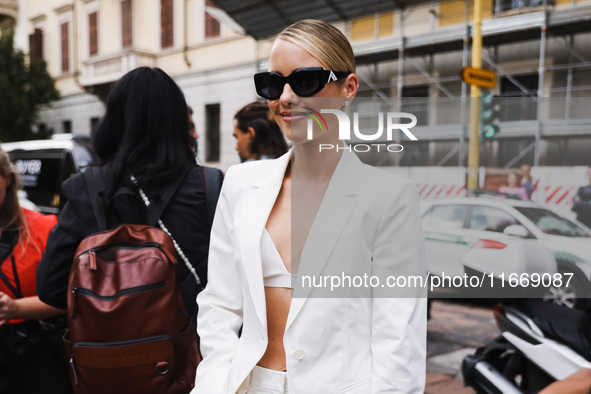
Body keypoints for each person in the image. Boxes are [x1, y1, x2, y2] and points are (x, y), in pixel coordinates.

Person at [195, 19, 427, 394]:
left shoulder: (389, 199)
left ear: (348, 87)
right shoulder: (240, 184)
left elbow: (398, 342)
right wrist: (214, 384)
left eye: (305, 81)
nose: (286, 97)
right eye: (273, 83)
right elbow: (219, 305)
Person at [36, 67, 219, 327]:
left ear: (114, 120)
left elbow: (50, 288)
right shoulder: (209, 184)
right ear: (179, 121)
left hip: (110, 357)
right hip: (195, 355)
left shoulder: (84, 189)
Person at [0, 148, 71, 394]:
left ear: (7, 178)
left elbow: (73, 296)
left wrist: (16, 308)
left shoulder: (45, 228)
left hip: (36, 357)